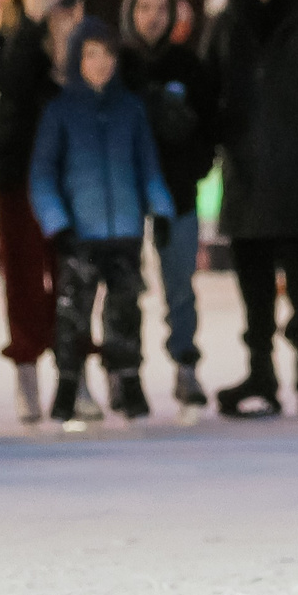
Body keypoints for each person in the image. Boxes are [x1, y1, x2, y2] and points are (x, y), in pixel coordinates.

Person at [202, 0, 298, 416]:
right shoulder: (226, 24)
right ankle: (261, 371)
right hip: (246, 174)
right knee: (254, 290)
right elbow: (208, 88)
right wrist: (217, 142)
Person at [31, 21, 176, 425]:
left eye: (108, 54)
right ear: (77, 60)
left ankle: (128, 382)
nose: (101, 63)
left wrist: (161, 209)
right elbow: (42, 174)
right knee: (72, 314)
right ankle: (67, 384)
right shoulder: (61, 111)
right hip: (80, 233)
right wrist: (57, 223)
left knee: (125, 311)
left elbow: (148, 167)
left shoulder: (130, 109)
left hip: (125, 232)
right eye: (91, 54)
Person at [0, 0, 82, 422]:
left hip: (71, 175)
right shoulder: (2, 41)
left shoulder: (83, 37)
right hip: (18, 172)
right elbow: (14, 83)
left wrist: (65, 42)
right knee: (23, 275)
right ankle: (27, 370)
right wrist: (34, 27)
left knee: (73, 276)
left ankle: (74, 372)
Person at [120, 0, 218, 417]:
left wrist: (195, 167)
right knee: (123, 286)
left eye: (161, 8)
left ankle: (185, 365)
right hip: (123, 195)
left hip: (177, 191)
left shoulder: (188, 65)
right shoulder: (116, 64)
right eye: (144, 8)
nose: (153, 17)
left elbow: (208, 124)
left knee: (179, 285)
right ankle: (125, 371)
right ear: (130, 13)